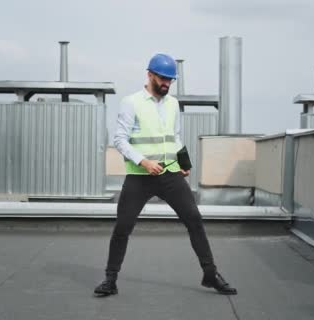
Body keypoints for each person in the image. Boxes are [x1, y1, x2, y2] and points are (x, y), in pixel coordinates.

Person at [93, 53, 237, 297]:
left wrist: (183, 162)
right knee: (123, 227)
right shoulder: (131, 102)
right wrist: (144, 161)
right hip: (140, 175)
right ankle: (110, 280)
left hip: (170, 173)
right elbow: (120, 139)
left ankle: (210, 274)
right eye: (163, 78)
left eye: (170, 80)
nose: (167, 84)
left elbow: (175, 136)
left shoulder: (172, 103)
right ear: (149, 74)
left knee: (194, 219)